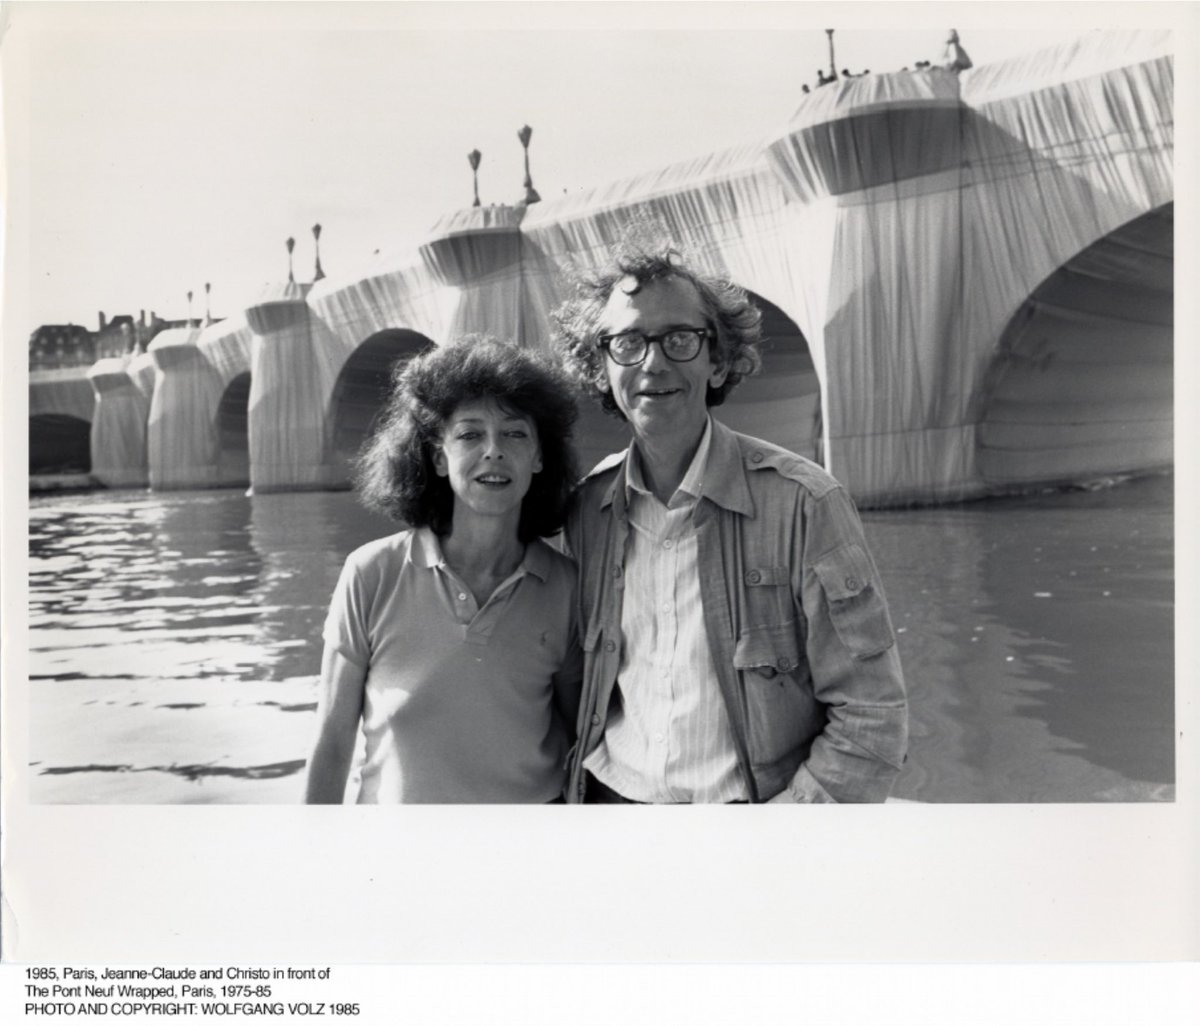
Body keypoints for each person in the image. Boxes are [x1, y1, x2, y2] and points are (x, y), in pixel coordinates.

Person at [552, 243, 908, 804]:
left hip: (750, 829)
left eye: (679, 339)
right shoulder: (587, 510)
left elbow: (872, 715)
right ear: (602, 368)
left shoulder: (804, 504)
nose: (653, 362)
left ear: (717, 359)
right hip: (610, 811)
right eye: (627, 343)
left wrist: (777, 838)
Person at [304, 336, 582, 803]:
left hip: (528, 856)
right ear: (437, 456)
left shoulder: (568, 586)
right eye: (470, 434)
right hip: (395, 859)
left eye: (514, 433)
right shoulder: (371, 574)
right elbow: (332, 746)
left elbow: (579, 737)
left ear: (538, 458)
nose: (493, 450)